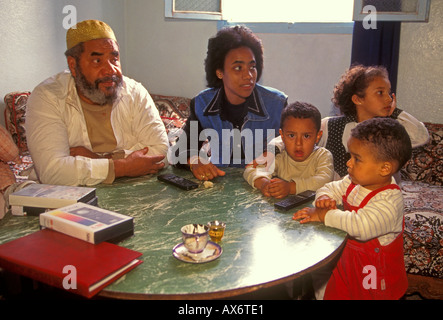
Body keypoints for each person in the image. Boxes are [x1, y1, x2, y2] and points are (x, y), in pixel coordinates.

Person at [26, 20, 169, 186]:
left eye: (114, 59)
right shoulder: (47, 96)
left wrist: (97, 160)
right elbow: (53, 172)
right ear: (73, 66)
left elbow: (161, 152)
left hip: (132, 191)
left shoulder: (135, 92)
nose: (110, 70)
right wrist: (124, 168)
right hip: (69, 199)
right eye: (97, 61)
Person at [293, 117, 412, 300]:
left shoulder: (390, 201)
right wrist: (324, 198)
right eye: (350, 156)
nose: (348, 163)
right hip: (347, 267)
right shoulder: (354, 182)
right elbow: (330, 187)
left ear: (384, 168)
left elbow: (361, 226)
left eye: (357, 159)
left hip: (374, 280)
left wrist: (324, 215)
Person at [172, 25, 287, 181]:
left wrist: (275, 154)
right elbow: (180, 151)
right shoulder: (203, 104)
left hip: (264, 187)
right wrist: (195, 161)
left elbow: (296, 151)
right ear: (219, 72)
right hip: (219, 186)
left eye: (252, 67)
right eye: (238, 68)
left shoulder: (276, 105)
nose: (248, 75)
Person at [321, 64, 428, 179]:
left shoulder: (390, 128)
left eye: (389, 92)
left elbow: (421, 136)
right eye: (380, 93)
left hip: (381, 195)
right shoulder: (329, 125)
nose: (388, 99)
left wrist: (395, 112)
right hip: (338, 194)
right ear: (358, 99)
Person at [243, 102, 333, 199]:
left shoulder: (322, 156)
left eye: (306, 136)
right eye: (291, 135)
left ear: (317, 136)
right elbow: (251, 169)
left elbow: (323, 181)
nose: (298, 143)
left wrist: (290, 187)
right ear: (282, 135)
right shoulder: (280, 156)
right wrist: (264, 184)